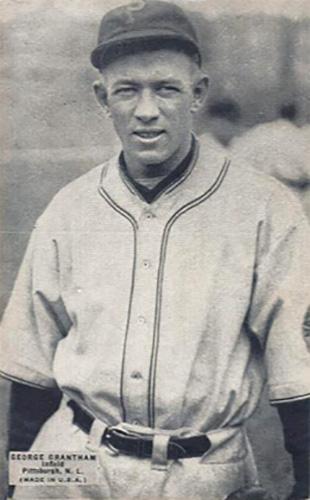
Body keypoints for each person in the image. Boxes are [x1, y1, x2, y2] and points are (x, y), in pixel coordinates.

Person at [0, 1, 309, 499]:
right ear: (103, 98)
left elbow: (300, 370)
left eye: (166, 87)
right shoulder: (69, 208)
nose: (146, 110)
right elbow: (34, 369)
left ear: (197, 93)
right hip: (75, 456)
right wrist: (20, 485)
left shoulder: (264, 208)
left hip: (203, 470)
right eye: (127, 90)